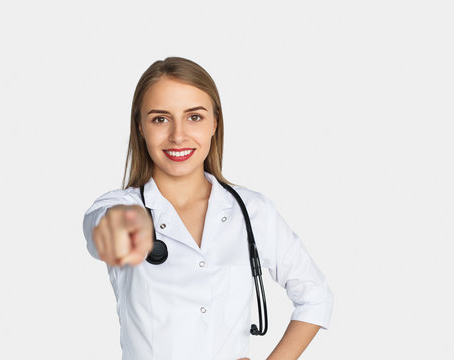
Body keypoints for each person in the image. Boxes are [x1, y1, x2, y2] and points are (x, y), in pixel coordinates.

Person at [82, 56, 333, 360]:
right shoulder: (121, 207)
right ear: (140, 127)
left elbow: (315, 297)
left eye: (194, 117)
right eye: (160, 119)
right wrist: (119, 226)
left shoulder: (252, 211)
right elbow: (101, 228)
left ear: (215, 122)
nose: (178, 135)